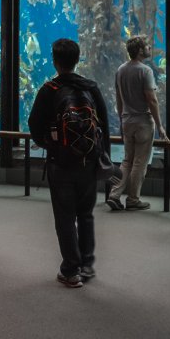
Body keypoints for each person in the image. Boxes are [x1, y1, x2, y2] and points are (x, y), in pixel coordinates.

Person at [28, 38, 111, 288]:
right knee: (85, 214)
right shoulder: (91, 88)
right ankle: (86, 264)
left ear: (55, 61)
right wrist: (100, 156)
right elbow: (104, 125)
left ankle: (70, 270)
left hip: (60, 163)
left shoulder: (49, 90)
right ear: (77, 60)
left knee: (64, 216)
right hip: (88, 161)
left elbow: (34, 125)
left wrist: (49, 144)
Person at [106, 36, 168, 211]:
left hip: (127, 120)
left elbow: (118, 99)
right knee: (140, 161)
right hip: (143, 122)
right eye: (147, 46)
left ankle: (114, 194)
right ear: (140, 51)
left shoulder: (121, 70)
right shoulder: (145, 71)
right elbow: (152, 100)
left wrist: (121, 119)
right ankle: (133, 199)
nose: (150, 48)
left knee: (127, 160)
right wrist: (160, 125)